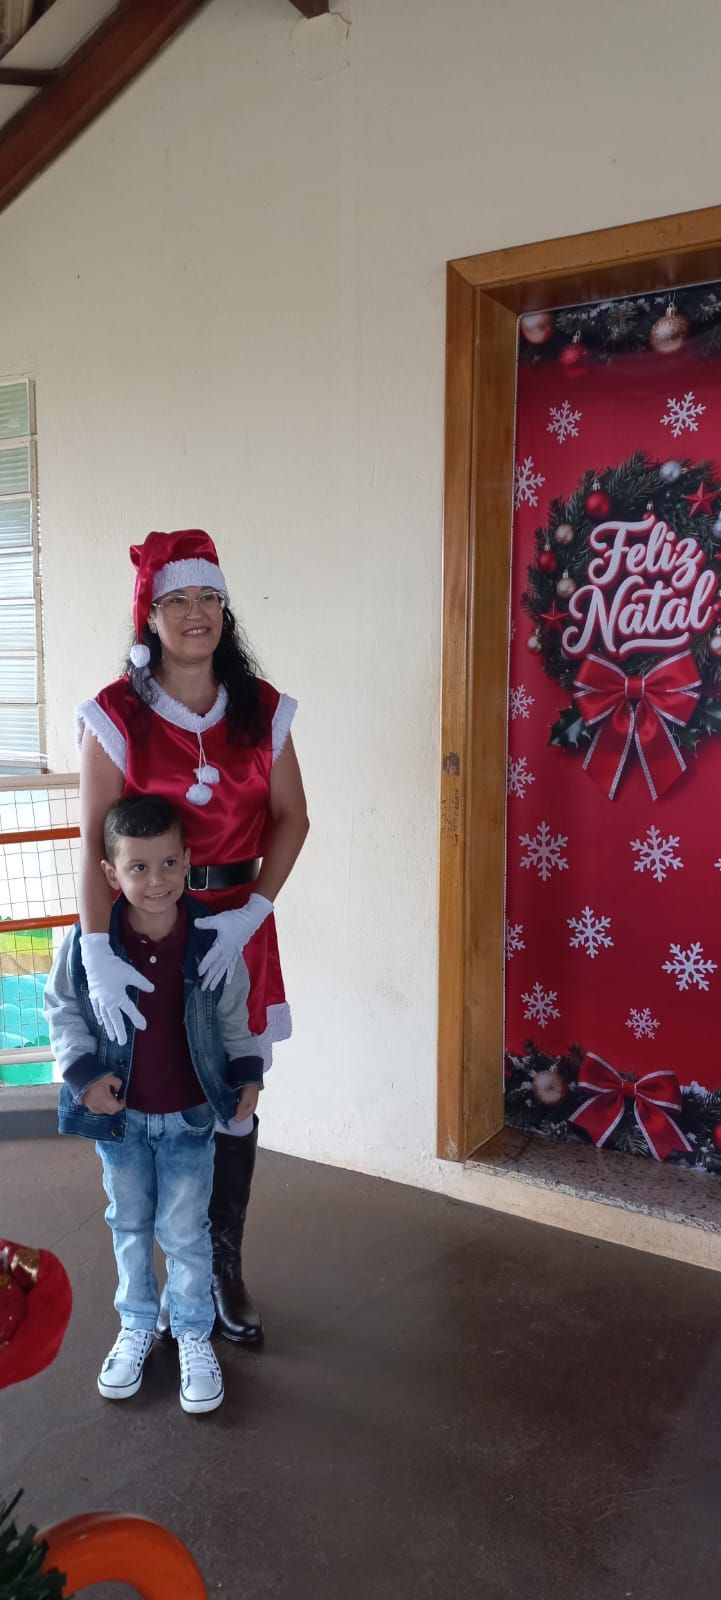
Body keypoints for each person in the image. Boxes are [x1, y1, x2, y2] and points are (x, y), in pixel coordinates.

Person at [74, 528, 309, 1345]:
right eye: (177, 600)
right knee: (158, 1094)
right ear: (150, 615)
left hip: (237, 930)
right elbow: (92, 842)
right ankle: (151, 1289)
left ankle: (219, 1269)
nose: (196, 613)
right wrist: (95, 951)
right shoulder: (116, 714)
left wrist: (253, 911)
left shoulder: (262, 710)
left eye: (209, 597)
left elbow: (292, 817)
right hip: (147, 934)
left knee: (234, 1094)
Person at [45, 794, 265, 1413]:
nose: (157, 880)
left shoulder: (210, 939)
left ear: (189, 861)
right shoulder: (90, 942)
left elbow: (232, 1015)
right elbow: (62, 1009)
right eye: (138, 867)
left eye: (169, 863)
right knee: (130, 1224)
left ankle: (192, 1333)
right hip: (122, 1124)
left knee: (187, 1232)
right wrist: (83, 1075)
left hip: (191, 1118)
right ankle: (137, 1324)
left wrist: (247, 1074)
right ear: (110, 873)